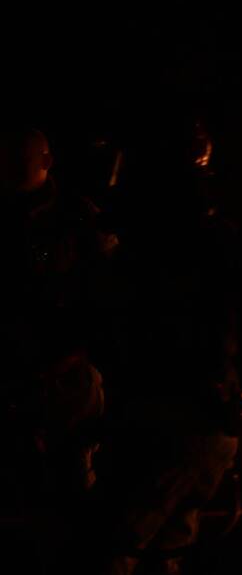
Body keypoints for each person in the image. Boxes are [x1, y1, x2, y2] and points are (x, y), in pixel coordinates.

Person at [101, 120, 239, 574]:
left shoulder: (154, 249)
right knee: (172, 537)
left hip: (175, 415)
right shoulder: (214, 237)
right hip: (203, 418)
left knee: (123, 539)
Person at [0, 127, 112, 501]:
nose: (8, 166)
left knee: (74, 484)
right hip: (16, 373)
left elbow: (106, 288)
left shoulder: (76, 217)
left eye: (20, 158)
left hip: (66, 376)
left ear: (47, 161)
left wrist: (80, 350)